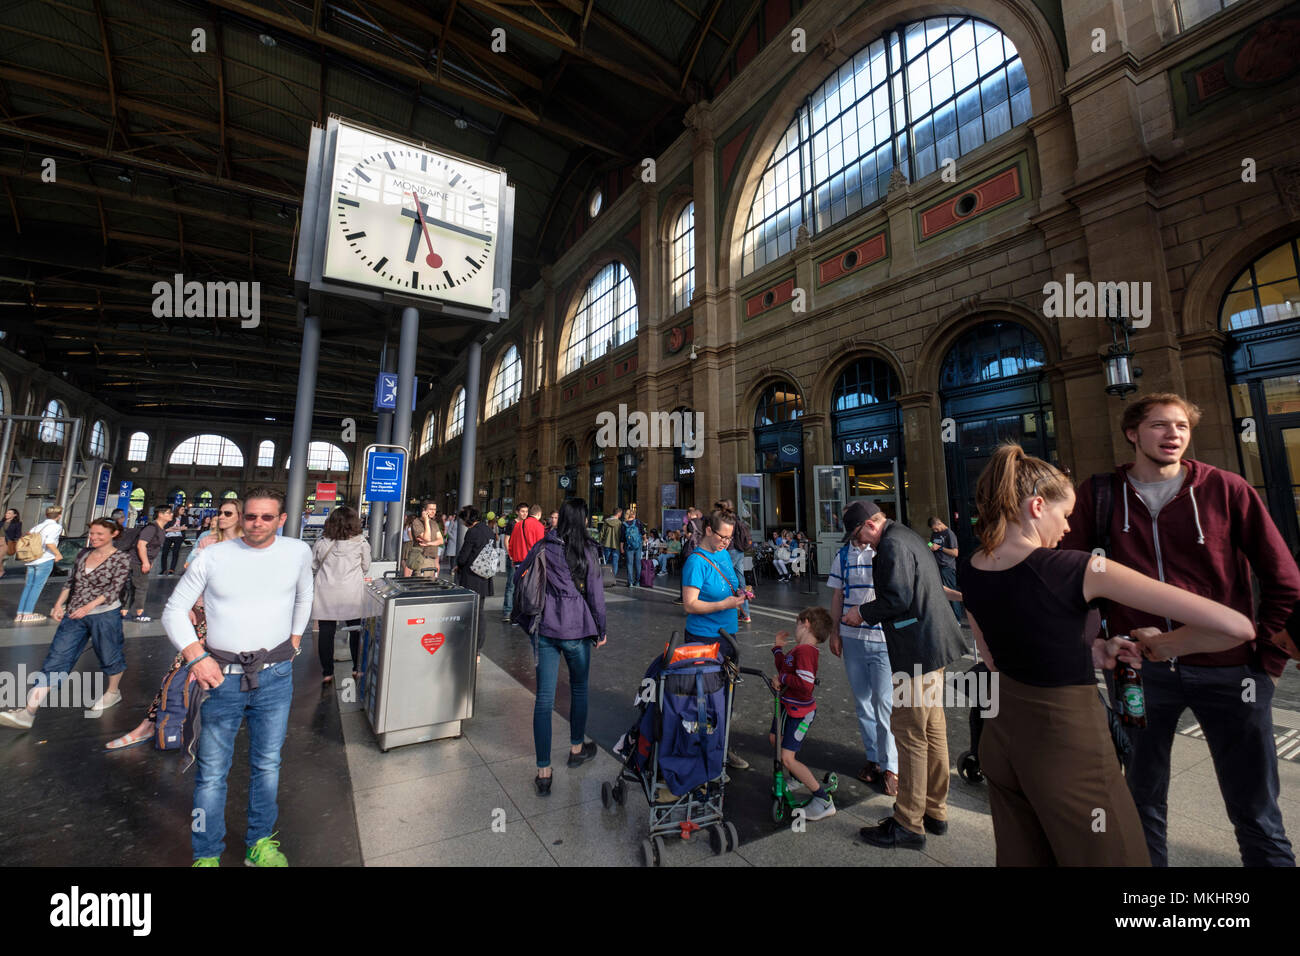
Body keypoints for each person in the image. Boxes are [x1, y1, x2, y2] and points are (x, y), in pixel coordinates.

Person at [961, 443, 1255, 865]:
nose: (1067, 527)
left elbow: (996, 655)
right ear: (1037, 506)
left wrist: (1093, 650)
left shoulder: (973, 565)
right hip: (1066, 742)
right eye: (1065, 515)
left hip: (1001, 736)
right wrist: (1165, 645)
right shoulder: (1077, 568)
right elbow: (1236, 627)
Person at [1060, 393, 1300, 867]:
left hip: (1231, 673)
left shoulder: (1227, 490)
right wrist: (1095, 642)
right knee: (1142, 798)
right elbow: (1066, 574)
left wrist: (1267, 663)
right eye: (1159, 425)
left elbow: (1285, 580)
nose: (1173, 435)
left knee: (1256, 810)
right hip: (1138, 673)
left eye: (1181, 427)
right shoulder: (1100, 493)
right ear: (1132, 433)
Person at [164, 487, 313, 867]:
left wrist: (294, 638)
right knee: (212, 772)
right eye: (250, 516)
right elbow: (174, 610)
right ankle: (206, 854)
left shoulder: (297, 552)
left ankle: (260, 842)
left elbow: (304, 596)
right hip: (221, 679)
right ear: (241, 516)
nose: (257, 524)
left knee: (268, 763)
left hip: (275, 677)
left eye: (267, 517)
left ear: (281, 519)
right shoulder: (212, 556)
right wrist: (197, 658)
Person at [844, 501, 966, 851]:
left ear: (870, 524)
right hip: (934, 646)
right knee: (933, 728)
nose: (861, 543)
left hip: (915, 649)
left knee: (910, 733)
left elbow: (898, 598)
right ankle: (935, 810)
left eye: (859, 535)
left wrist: (861, 613)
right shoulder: (909, 536)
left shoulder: (891, 545)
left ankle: (908, 822)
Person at [106, 499, 244, 751]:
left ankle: (191, 725)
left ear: (239, 517)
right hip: (203, 614)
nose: (221, 517)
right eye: (219, 513)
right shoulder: (207, 541)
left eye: (227, 513)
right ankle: (153, 723)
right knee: (182, 666)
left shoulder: (248, 547)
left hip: (232, 618)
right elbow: (190, 573)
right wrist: (190, 605)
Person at [0, 518, 133, 729]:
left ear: (113, 534)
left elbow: (114, 590)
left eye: (100, 534)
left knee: (109, 654)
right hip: (73, 615)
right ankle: (28, 712)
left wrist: (88, 607)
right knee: (57, 658)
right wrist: (59, 604)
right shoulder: (83, 554)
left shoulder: (121, 558)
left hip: (105, 615)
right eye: (92, 533)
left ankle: (113, 692)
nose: (94, 537)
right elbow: (71, 581)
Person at [526, 498, 607, 795]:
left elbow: (524, 577)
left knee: (544, 699)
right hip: (576, 629)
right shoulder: (586, 550)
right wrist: (601, 630)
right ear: (581, 520)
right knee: (579, 689)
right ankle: (575, 750)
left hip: (546, 629)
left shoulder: (544, 546)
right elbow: (596, 596)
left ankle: (543, 771)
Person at [829, 500, 898, 796]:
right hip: (852, 638)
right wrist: (835, 631)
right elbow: (838, 595)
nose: (851, 532)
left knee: (884, 705)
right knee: (863, 703)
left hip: (882, 639)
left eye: (852, 525)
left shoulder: (884, 550)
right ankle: (873, 759)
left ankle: (891, 765)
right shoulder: (843, 554)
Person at [681, 507, 751, 770]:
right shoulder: (695, 562)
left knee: (726, 694)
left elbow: (730, 586)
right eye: (722, 537)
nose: (726, 542)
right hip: (703, 637)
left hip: (727, 637)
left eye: (730, 538)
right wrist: (724, 604)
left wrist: (742, 595)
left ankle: (721, 746)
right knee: (704, 697)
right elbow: (690, 604)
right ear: (708, 530)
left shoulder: (723, 556)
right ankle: (703, 750)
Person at [769, 607, 837, 820]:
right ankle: (797, 778)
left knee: (787, 758)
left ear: (806, 623)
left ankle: (822, 799)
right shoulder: (799, 650)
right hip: (789, 708)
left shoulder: (806, 652)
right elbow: (785, 670)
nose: (796, 628)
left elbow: (805, 684)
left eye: (797, 624)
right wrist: (778, 650)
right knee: (775, 740)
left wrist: (783, 681)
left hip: (800, 713)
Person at [312, 506, 370, 685]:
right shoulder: (361, 544)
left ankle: (328, 672)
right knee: (355, 631)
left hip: (326, 593)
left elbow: (313, 565)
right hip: (351, 593)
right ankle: (356, 668)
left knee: (326, 633)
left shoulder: (322, 543)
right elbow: (365, 566)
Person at [15, 505, 64, 623]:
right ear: (59, 516)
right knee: (37, 587)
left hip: (31, 559)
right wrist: (58, 554)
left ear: (46, 515)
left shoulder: (37, 527)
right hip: (44, 559)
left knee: (29, 586)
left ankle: (20, 614)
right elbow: (49, 542)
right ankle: (28, 614)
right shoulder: (56, 527)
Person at [454, 505, 494, 650]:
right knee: (480, 612)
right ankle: (478, 647)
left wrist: (458, 564)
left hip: (471, 576)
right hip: (484, 576)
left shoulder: (472, 533)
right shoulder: (488, 530)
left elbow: (463, 557)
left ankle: (469, 644)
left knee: (469, 611)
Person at [127, 505, 170, 623]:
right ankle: (138, 613)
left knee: (134, 586)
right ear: (160, 514)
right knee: (142, 587)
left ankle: (125, 612)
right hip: (137, 561)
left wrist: (149, 561)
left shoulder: (160, 529)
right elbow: (141, 545)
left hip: (141, 561)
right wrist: (145, 562)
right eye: (168, 513)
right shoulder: (152, 528)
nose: (171, 515)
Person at [505, 502, 544, 622]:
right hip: (531, 563)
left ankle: (515, 615)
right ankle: (529, 614)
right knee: (532, 588)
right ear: (539, 514)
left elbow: (511, 544)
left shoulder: (518, 525)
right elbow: (541, 547)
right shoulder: (539, 526)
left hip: (518, 562)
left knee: (518, 588)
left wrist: (513, 557)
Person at [714, 499, 753, 623]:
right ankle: (745, 614)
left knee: (723, 579)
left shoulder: (727, 519)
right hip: (739, 551)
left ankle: (723, 612)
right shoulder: (736, 518)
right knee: (740, 581)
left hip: (730, 551)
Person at [927, 516, 963, 622]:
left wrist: (940, 548)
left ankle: (957, 619)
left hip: (947, 567)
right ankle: (947, 618)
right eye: (933, 530)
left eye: (936, 529)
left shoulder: (949, 534)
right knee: (941, 592)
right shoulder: (935, 534)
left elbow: (955, 553)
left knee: (951, 593)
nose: (935, 531)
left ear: (940, 523)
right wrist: (930, 546)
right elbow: (931, 542)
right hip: (937, 566)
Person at [622, 503, 645, 588]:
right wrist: (645, 540)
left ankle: (630, 582)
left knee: (629, 564)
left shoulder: (624, 524)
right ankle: (637, 582)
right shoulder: (638, 522)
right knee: (638, 563)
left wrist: (621, 548)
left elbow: (622, 538)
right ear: (634, 515)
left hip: (628, 546)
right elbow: (643, 533)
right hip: (638, 545)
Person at [160, 506, 186, 575]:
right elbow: (167, 528)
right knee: (164, 553)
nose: (183, 511)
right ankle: (163, 569)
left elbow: (185, 527)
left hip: (178, 536)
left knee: (175, 553)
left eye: (184, 509)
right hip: (169, 536)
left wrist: (176, 528)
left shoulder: (184, 518)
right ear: (178, 510)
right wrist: (179, 528)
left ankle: (172, 569)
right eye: (182, 509)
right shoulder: (171, 517)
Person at [600, 507, 623, 580]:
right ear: (618, 513)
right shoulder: (619, 523)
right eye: (621, 514)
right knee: (615, 562)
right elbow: (621, 535)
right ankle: (613, 577)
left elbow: (601, 533)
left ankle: (603, 577)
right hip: (616, 545)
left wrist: (601, 542)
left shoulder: (606, 522)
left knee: (605, 560)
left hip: (606, 544)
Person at [2, 506, 22, 578]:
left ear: (14, 515)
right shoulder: (1, 522)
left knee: (2, 558)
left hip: (7, 543)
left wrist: (16, 544)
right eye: (7, 513)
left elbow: (18, 534)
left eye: (9, 513)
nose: (7, 514)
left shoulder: (17, 524)